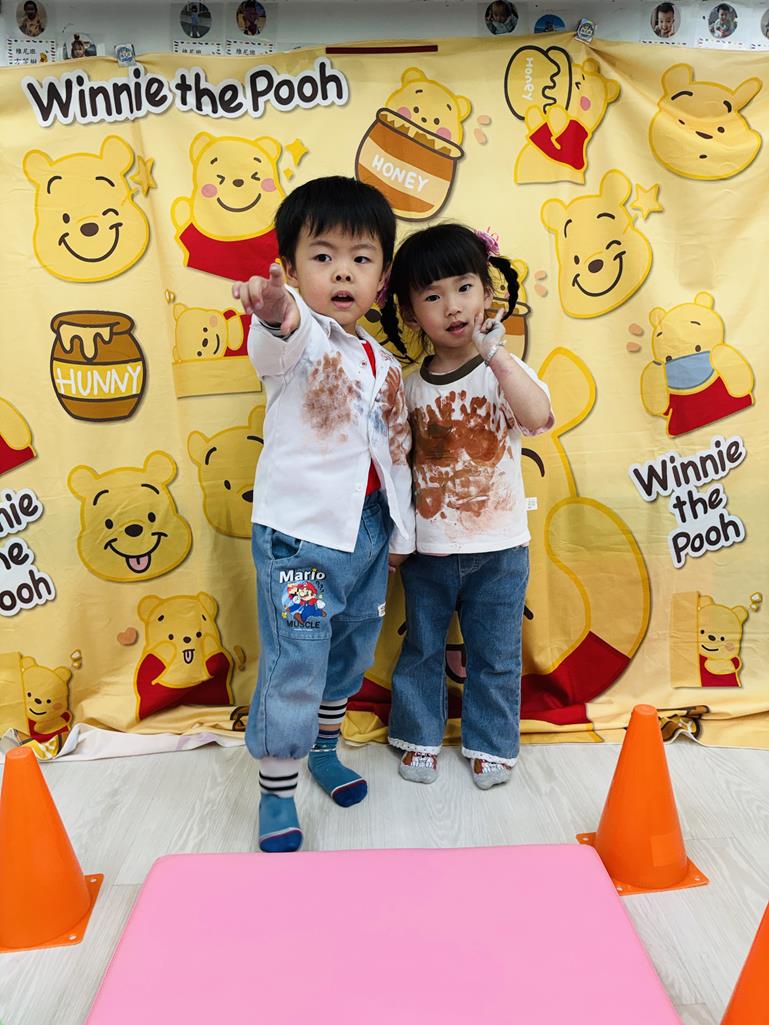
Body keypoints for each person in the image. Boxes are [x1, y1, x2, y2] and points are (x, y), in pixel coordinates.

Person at [232, 177, 414, 852]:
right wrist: (274, 309)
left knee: (351, 651)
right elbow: (277, 335)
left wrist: (399, 533)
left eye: (361, 258)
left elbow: (395, 453)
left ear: (382, 280)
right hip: (301, 543)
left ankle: (325, 748)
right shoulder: (299, 341)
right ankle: (276, 789)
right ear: (290, 265)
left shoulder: (385, 363)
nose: (342, 271)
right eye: (323, 256)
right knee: (296, 659)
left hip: (367, 535)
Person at [379, 224, 553, 790]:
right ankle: (418, 737)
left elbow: (537, 418)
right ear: (411, 315)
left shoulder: (502, 370)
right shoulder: (409, 387)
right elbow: (397, 467)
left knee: (496, 654)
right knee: (423, 649)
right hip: (429, 549)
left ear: (487, 293)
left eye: (463, 287)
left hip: (500, 548)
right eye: (432, 296)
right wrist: (400, 541)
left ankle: (492, 746)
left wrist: (497, 357)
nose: (452, 306)